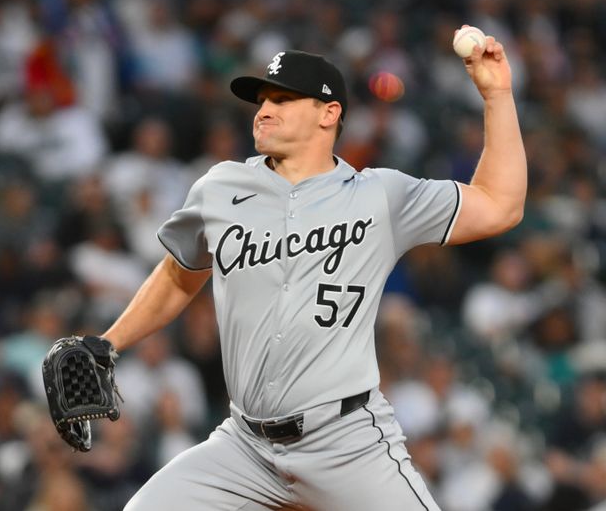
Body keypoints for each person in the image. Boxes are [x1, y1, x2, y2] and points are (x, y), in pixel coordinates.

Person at [101, 28, 526, 510]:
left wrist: (497, 96)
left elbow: (499, 205)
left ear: (329, 114)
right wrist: (108, 342)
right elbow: (180, 274)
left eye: (283, 99)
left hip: (346, 441)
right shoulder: (220, 187)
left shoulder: (378, 196)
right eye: (262, 99)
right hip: (244, 445)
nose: (264, 109)